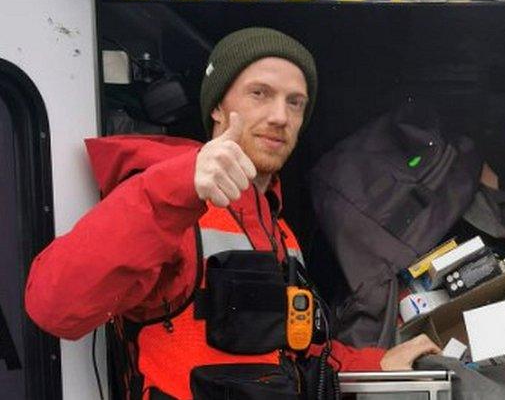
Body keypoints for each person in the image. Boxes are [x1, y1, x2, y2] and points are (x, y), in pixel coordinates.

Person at [24, 27, 439, 399]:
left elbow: (299, 355)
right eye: (259, 94)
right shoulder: (169, 205)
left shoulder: (281, 232)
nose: (280, 116)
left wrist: (375, 365)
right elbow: (55, 307)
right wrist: (177, 187)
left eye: (295, 103)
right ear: (218, 109)